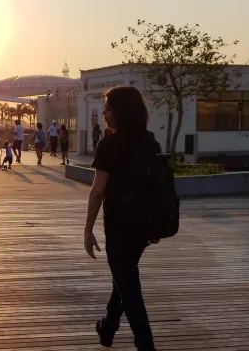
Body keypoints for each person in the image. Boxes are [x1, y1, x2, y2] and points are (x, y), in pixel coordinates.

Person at [84, 86, 159, 351]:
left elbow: (98, 190)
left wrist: (88, 229)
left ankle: (146, 345)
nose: (103, 112)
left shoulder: (109, 145)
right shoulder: (150, 141)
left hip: (118, 227)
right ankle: (108, 327)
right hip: (143, 227)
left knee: (129, 287)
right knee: (124, 277)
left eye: (108, 107)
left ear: (121, 112)